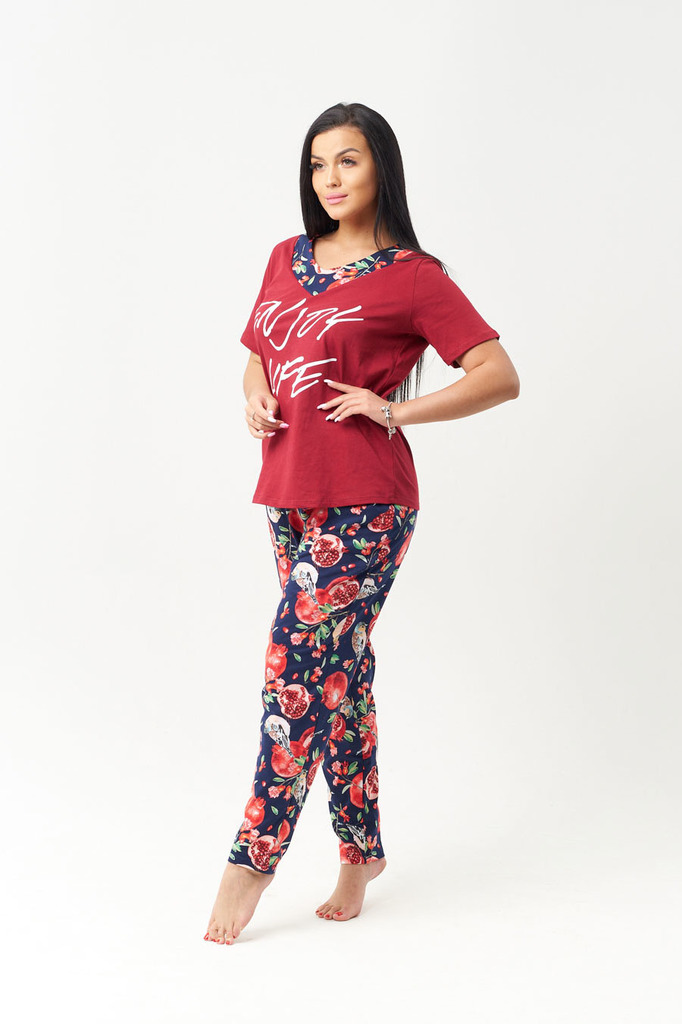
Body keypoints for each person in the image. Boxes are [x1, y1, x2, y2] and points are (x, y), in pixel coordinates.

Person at [204, 101, 520, 946]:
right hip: (288, 495)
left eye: (347, 160)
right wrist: (255, 396)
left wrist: (393, 410)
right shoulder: (287, 256)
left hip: (368, 503)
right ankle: (361, 852)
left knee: (295, 668)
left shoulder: (415, 275)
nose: (330, 179)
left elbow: (498, 373)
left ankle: (251, 860)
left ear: (381, 165)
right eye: (317, 164)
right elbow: (259, 354)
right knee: (339, 677)